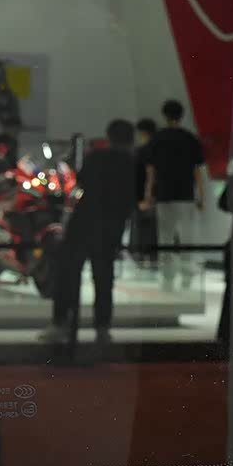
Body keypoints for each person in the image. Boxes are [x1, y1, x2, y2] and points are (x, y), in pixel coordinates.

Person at [50, 118, 139, 346]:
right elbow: (133, 198)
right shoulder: (132, 164)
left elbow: (82, 181)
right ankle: (102, 327)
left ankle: (62, 323)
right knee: (104, 279)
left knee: (69, 275)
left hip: (83, 223)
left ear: (109, 137)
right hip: (110, 228)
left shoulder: (95, 157)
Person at [143, 99, 206, 291]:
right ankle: (187, 277)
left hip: (164, 195)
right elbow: (197, 171)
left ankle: (168, 278)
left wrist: (148, 195)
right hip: (186, 195)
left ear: (165, 115)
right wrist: (201, 196)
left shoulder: (157, 138)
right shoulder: (190, 138)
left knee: (166, 237)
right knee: (187, 238)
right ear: (182, 115)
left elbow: (150, 171)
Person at [130, 117, 158, 269]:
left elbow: (149, 173)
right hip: (155, 195)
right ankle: (151, 256)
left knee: (142, 227)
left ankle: (142, 256)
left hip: (143, 196)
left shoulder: (144, 151)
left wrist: (147, 196)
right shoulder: (158, 149)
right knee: (152, 227)